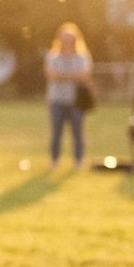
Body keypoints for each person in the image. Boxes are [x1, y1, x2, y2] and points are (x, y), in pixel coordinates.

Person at [44, 23, 94, 170]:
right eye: (64, 39)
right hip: (57, 99)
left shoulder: (83, 56)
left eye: (70, 39)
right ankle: (54, 160)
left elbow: (84, 76)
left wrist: (63, 76)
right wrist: (73, 76)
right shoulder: (52, 56)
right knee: (56, 132)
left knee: (78, 132)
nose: (67, 42)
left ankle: (78, 161)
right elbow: (51, 75)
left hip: (76, 100)